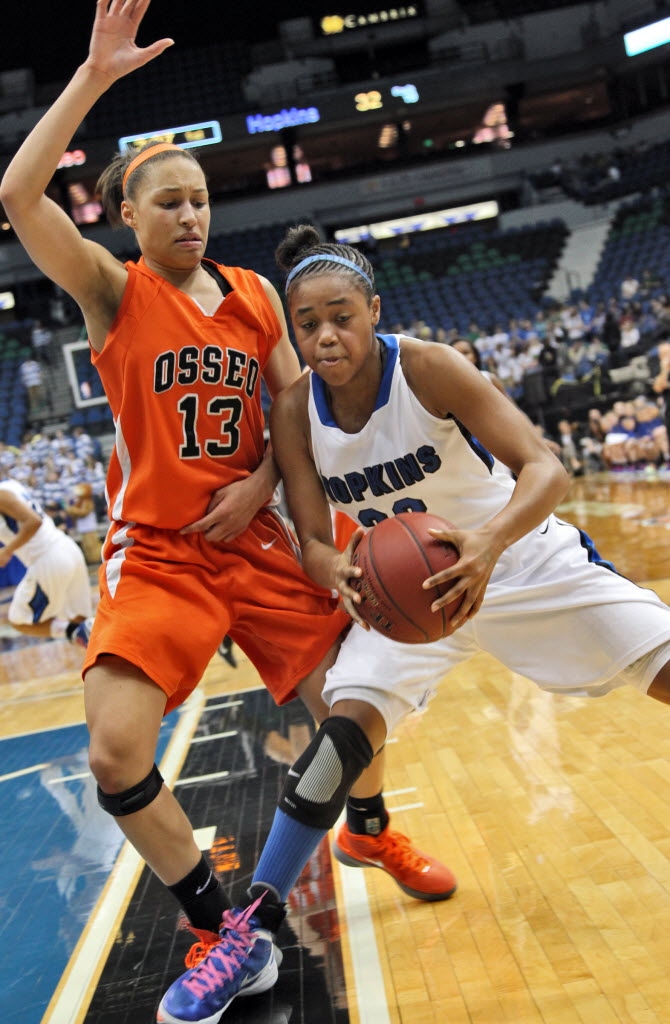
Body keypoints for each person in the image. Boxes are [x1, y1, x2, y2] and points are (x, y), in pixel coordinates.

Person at [0, 6, 454, 1019]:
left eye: (200, 200)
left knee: (360, 689)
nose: (190, 216)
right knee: (116, 750)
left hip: (260, 537)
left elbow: (296, 425)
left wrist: (262, 486)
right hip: (159, 549)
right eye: (168, 203)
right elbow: (16, 193)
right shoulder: (111, 291)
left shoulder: (254, 295)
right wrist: (90, 79)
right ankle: (222, 931)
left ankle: (369, 821)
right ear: (130, 217)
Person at [158, 224, 670, 1022]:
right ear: (293, 329)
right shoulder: (295, 410)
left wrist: (488, 545)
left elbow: (546, 466)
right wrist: (338, 573)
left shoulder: (426, 366)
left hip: (518, 560)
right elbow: (316, 545)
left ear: (373, 311)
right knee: (341, 736)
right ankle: (249, 932)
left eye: (342, 317)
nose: (326, 336)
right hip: (407, 598)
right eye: (307, 324)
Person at [0, 477, 93, 645]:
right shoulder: (10, 484)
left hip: (48, 558)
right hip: (66, 548)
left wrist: (7, 551)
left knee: (19, 619)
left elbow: (33, 521)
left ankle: (75, 632)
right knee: (80, 620)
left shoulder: (1, 494)